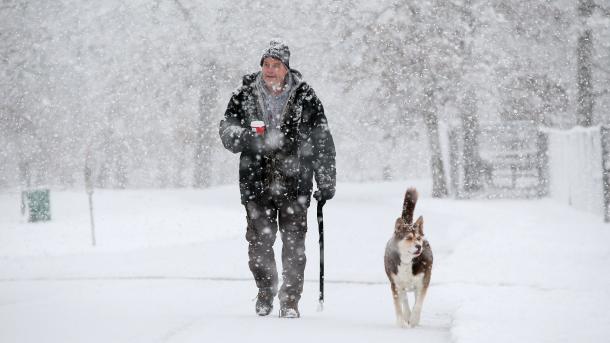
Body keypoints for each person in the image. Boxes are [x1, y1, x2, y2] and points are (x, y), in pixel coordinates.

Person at [219, 40, 336, 318]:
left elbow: (322, 139)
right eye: (266, 64)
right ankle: (265, 289)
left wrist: (326, 179)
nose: (270, 70)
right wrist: (249, 137)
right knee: (259, 244)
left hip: (296, 181)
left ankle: (290, 300)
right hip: (255, 181)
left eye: (276, 65)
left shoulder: (305, 96)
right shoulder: (244, 94)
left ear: (286, 68)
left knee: (294, 244)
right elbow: (226, 130)